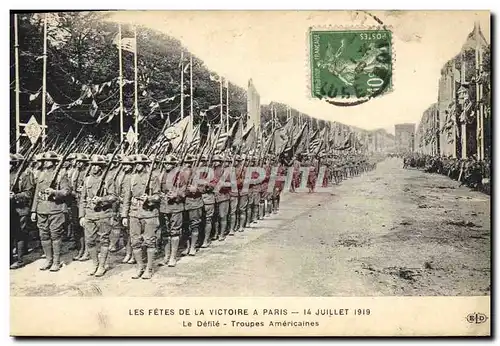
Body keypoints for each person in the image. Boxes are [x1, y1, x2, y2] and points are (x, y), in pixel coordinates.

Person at [121, 154, 161, 280]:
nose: (137, 166)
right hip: (134, 212)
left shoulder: (153, 177)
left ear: (144, 165)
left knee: (149, 241)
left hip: (149, 212)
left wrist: (149, 198)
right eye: (135, 164)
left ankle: (149, 269)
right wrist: (124, 215)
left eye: (139, 164)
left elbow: (158, 196)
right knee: (135, 242)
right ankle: (140, 267)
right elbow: (127, 198)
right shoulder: (131, 178)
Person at [31, 151, 71, 272]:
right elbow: (36, 194)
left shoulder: (61, 175)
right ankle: (48, 259)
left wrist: (54, 192)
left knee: (55, 235)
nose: (45, 163)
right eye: (44, 161)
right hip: (42, 209)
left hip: (56, 209)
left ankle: (56, 262)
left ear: (53, 162)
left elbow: (67, 191)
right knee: (43, 235)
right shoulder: (41, 175)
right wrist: (34, 210)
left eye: (47, 161)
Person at [78, 154, 117, 277]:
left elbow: (113, 197)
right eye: (93, 165)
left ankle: (102, 265)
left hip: (103, 213)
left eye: (97, 165)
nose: (94, 167)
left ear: (101, 167)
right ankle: (95, 263)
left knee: (104, 240)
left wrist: (102, 199)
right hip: (89, 214)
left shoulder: (108, 179)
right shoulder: (87, 179)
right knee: (89, 241)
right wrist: (81, 216)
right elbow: (82, 199)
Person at [10, 153, 35, 269]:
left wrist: (15, 196)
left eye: (10, 164)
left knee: (19, 234)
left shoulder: (23, 176)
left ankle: (20, 259)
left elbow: (28, 193)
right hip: (9, 209)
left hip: (20, 209)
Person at [159, 154, 184, 267]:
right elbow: (157, 188)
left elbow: (185, 190)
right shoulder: (162, 174)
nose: (167, 165)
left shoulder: (181, 175)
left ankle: (173, 257)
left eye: (169, 163)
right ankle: (166, 256)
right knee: (165, 231)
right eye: (166, 163)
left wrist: (176, 194)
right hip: (164, 206)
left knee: (175, 231)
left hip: (176, 206)